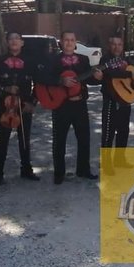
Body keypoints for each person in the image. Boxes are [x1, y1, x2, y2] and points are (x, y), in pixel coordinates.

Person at [37, 31, 103, 184]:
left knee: (84, 138)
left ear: (75, 42)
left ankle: (83, 169)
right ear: (61, 42)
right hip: (61, 105)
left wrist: (98, 78)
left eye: (72, 40)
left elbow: (89, 80)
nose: (69, 43)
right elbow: (41, 78)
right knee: (59, 140)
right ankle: (59, 173)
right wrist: (61, 81)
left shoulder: (83, 59)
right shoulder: (52, 59)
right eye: (66, 40)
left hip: (79, 104)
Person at [0, 32, 38, 187]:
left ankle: (26, 170)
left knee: (24, 139)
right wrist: (5, 87)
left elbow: (39, 84)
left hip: (24, 104)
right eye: (11, 39)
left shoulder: (31, 61)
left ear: (22, 42)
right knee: (2, 140)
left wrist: (33, 102)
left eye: (17, 38)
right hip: (5, 104)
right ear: (7, 43)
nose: (14, 41)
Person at [100, 35, 134, 170]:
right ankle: (106, 164)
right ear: (109, 46)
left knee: (123, 132)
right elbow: (111, 73)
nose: (117, 47)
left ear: (122, 46)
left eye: (119, 44)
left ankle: (120, 160)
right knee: (108, 133)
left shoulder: (125, 60)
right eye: (114, 44)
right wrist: (129, 75)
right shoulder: (105, 60)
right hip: (110, 100)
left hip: (125, 100)